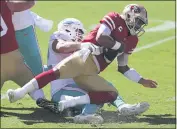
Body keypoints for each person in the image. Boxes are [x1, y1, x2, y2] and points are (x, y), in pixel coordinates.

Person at [7, 4, 157, 113]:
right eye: (137, 21)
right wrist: (116, 46)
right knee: (54, 72)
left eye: (141, 24)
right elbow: (101, 37)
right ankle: (20, 92)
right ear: (129, 15)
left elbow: (123, 67)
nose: (138, 26)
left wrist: (141, 80)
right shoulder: (114, 19)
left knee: (111, 93)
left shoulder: (132, 40)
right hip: (85, 58)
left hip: (92, 71)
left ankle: (83, 112)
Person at [36, 18, 150, 123]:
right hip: (63, 90)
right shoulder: (59, 38)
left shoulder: (76, 45)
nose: (81, 34)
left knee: (106, 87)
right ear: (68, 28)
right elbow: (62, 47)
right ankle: (84, 115)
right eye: (79, 31)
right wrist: (82, 46)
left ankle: (122, 106)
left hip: (75, 86)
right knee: (99, 96)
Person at [0, 1, 43, 100]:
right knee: (31, 83)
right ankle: (40, 98)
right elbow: (23, 4)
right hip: (13, 55)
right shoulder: (5, 3)